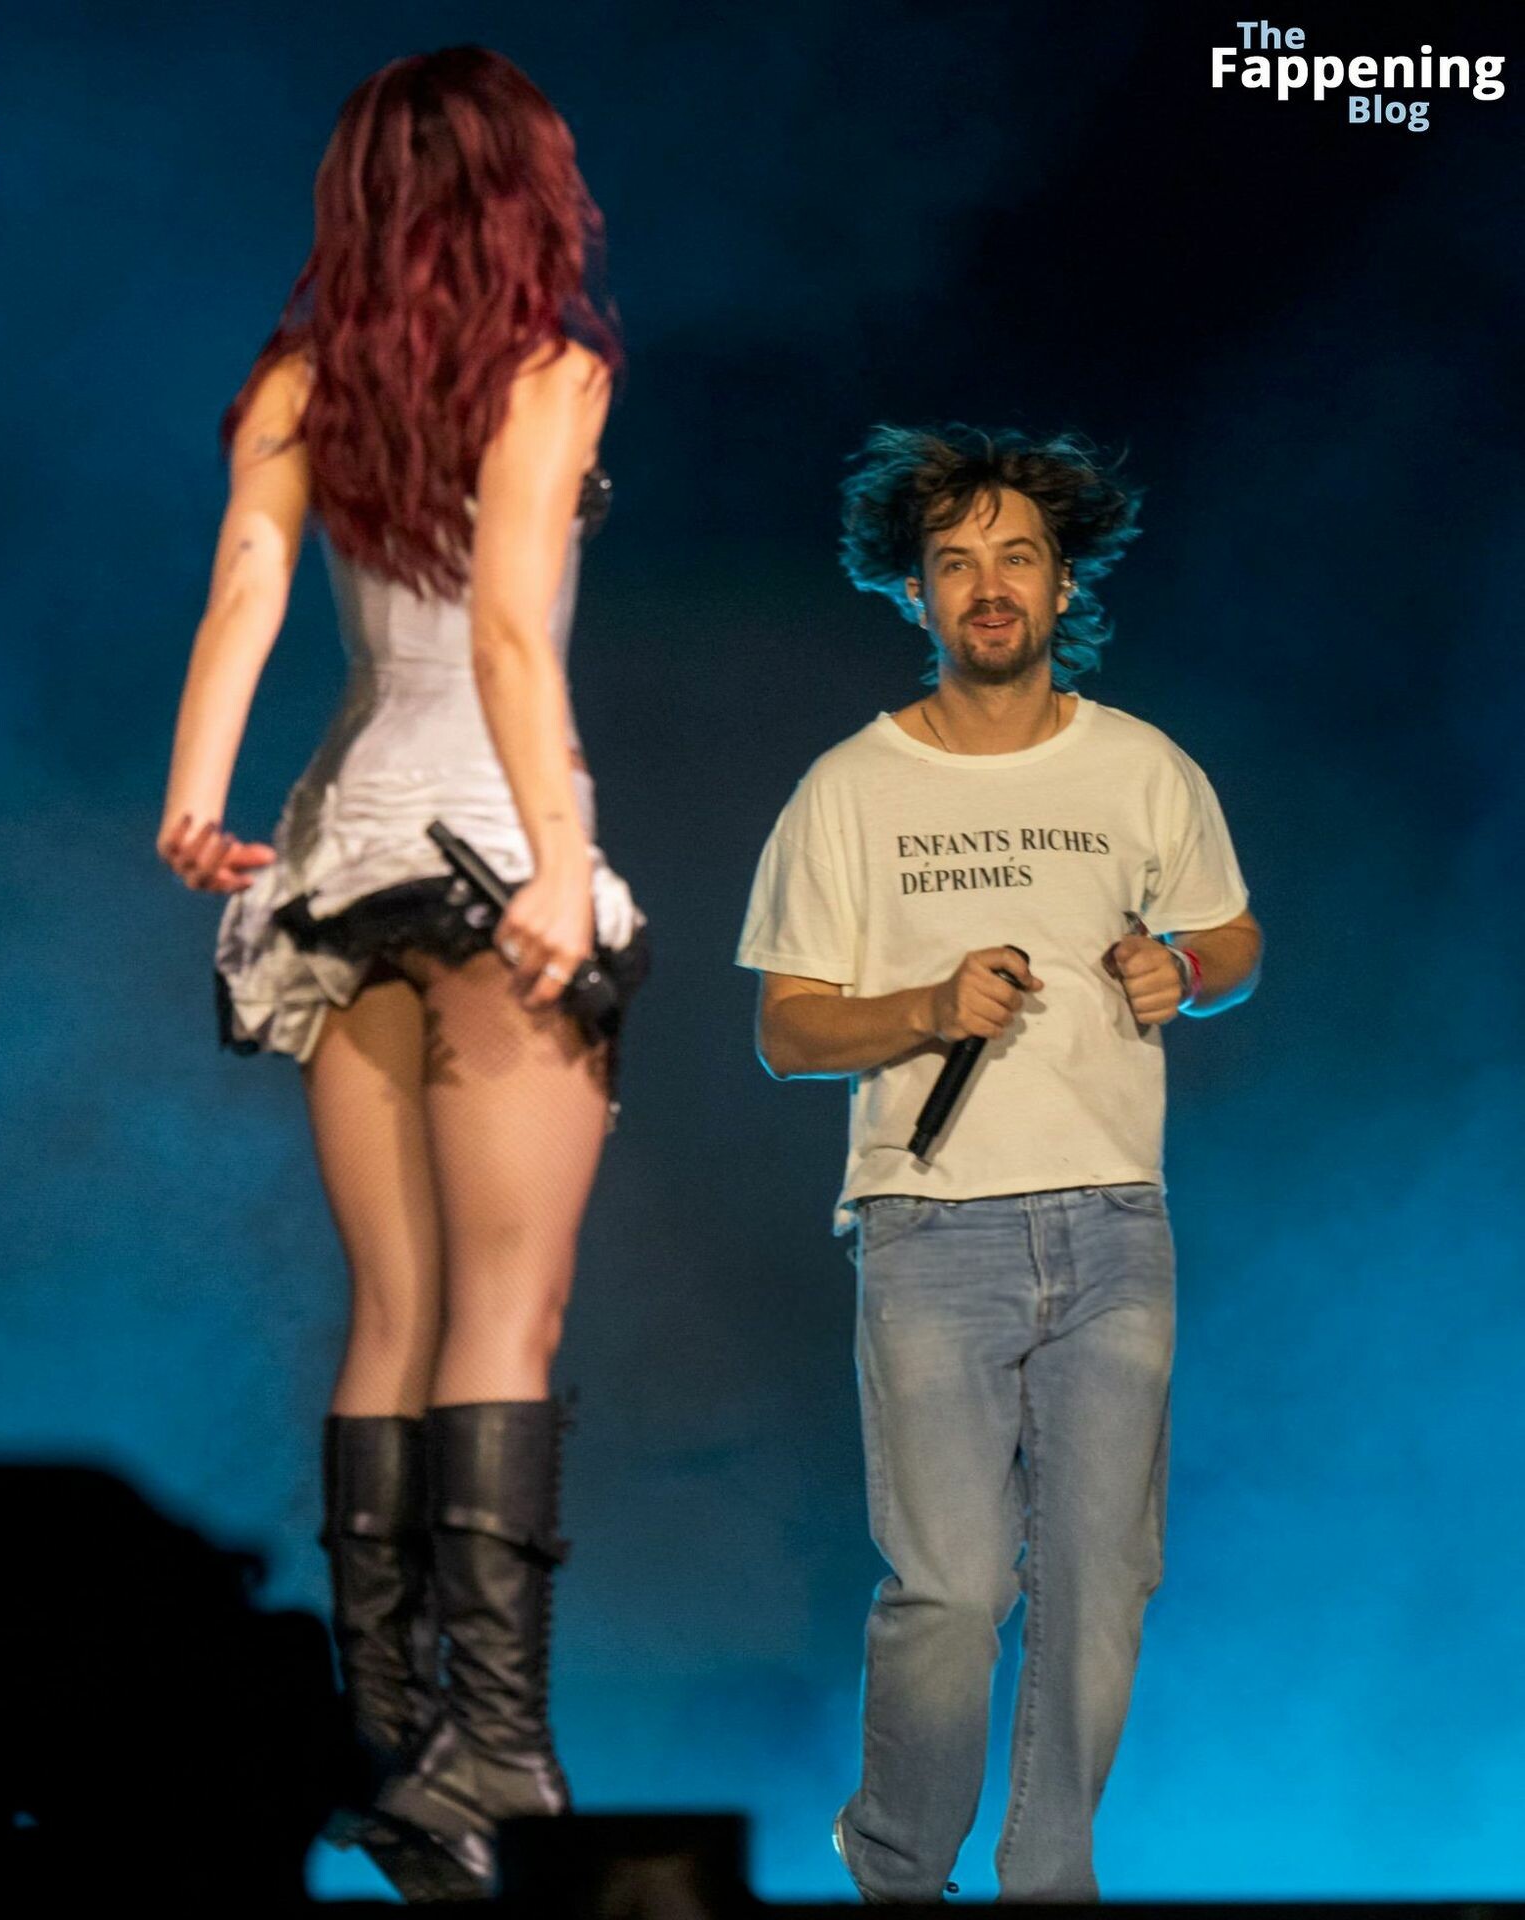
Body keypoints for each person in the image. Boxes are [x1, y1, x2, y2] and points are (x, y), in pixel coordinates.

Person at [155, 47, 648, 1901]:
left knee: (390, 1311)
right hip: (497, 843)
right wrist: (564, 866)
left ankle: (393, 1743)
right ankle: (493, 1750)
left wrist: (196, 801)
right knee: (504, 1314)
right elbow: (509, 633)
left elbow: (244, 593)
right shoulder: (550, 373)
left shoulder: (299, 379)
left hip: (340, 850)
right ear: (526, 184)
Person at [736, 423, 1262, 1903]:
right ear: (913, 593)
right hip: (928, 1229)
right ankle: (899, 1866)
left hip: (1113, 1222)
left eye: (1015, 557)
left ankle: (1049, 1881)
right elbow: (784, 1029)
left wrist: (1181, 969)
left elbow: (1231, 935)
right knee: (953, 1592)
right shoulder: (850, 788)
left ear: (1060, 581)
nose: (988, 585)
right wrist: (922, 1007)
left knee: (1104, 1583)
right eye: (956, 562)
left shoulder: (1141, 765)